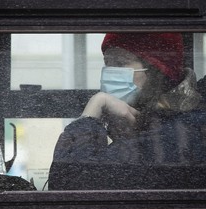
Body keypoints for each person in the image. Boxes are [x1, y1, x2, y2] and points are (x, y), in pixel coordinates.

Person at [48, 33, 206, 190]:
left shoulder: (175, 133)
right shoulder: (156, 123)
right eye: (107, 63)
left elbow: (69, 186)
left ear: (155, 71)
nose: (110, 72)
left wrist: (91, 113)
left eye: (120, 63)